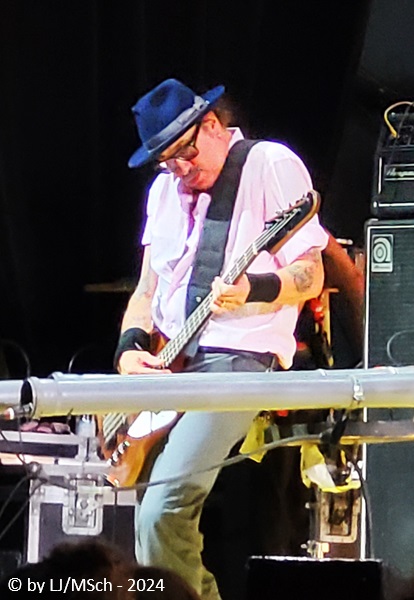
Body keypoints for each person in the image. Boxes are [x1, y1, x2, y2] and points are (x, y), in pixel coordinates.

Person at [114, 78, 329, 600]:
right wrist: (129, 349)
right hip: (171, 361)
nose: (179, 171)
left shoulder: (269, 163)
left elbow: (311, 275)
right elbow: (146, 290)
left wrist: (254, 287)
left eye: (184, 154)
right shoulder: (164, 190)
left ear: (210, 125)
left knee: (161, 511)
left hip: (238, 358)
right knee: (150, 521)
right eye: (166, 162)